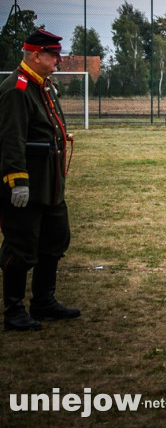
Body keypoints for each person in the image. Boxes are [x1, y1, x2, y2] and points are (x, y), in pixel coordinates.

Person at [1, 29, 79, 331]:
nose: (58, 60)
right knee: (21, 248)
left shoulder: (43, 86)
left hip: (50, 182)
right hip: (26, 185)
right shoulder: (16, 89)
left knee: (55, 239)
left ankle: (44, 302)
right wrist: (17, 181)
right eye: (53, 55)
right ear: (36, 55)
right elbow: (10, 140)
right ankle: (13, 309)